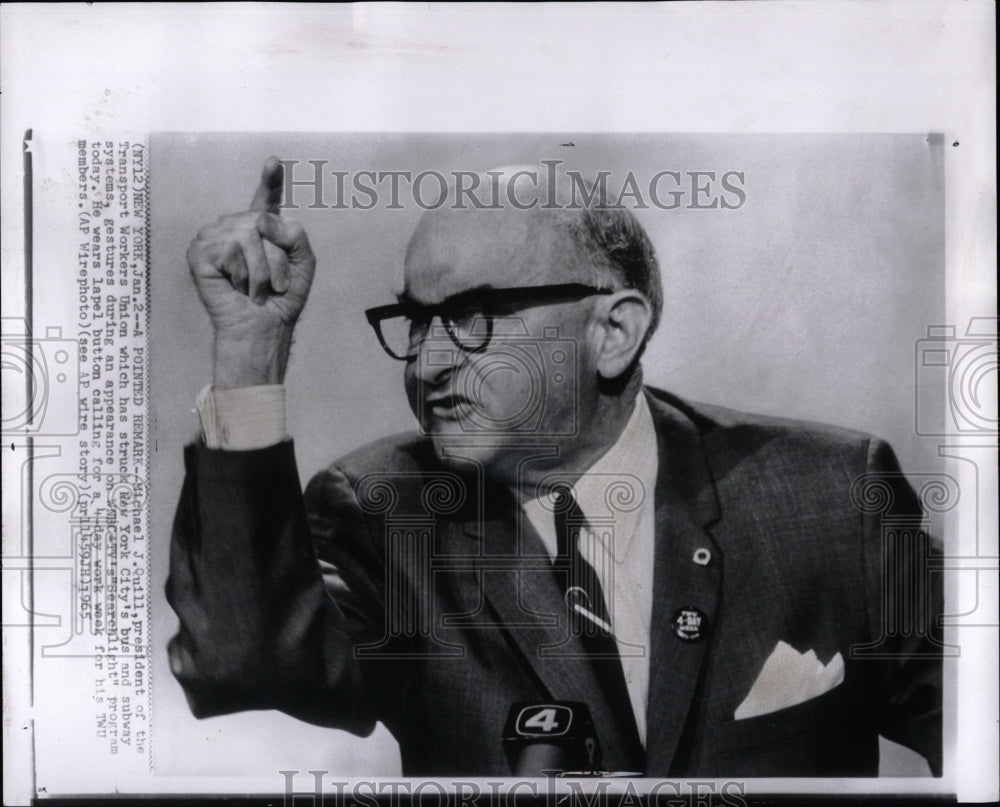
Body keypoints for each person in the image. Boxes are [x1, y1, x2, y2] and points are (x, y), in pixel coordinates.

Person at [167, 157, 942, 777]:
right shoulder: (384, 511)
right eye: (417, 321)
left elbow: (983, 733)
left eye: (474, 318)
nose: (430, 361)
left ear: (614, 332)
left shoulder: (836, 496)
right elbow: (242, 662)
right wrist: (248, 354)